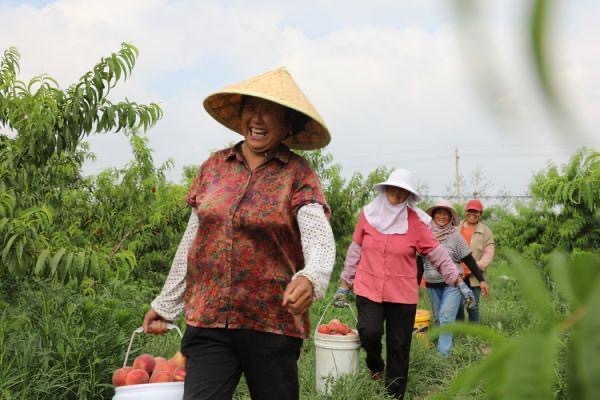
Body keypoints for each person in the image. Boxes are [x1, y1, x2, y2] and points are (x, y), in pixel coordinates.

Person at [141, 67, 336, 400]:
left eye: (270, 111)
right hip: (209, 319)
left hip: (272, 322)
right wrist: (166, 303)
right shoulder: (214, 167)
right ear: (241, 116)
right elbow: (192, 240)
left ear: (288, 124)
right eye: (251, 109)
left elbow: (318, 235)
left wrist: (311, 277)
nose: (258, 119)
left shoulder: (298, 174)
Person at [333, 169, 475, 400]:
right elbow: (355, 249)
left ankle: (393, 395)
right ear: (385, 188)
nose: (397, 194)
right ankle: (376, 364)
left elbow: (438, 254)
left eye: (403, 191)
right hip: (368, 288)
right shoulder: (367, 215)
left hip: (402, 295)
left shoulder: (416, 222)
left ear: (408, 195)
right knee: (369, 332)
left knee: (399, 346)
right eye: (393, 188)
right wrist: (344, 283)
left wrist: (458, 281)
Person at [421, 199, 489, 356]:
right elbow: (419, 260)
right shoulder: (425, 235)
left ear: (451, 217)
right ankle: (445, 344)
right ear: (433, 215)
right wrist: (414, 284)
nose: (442, 216)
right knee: (439, 319)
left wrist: (482, 280)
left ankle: (443, 354)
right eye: (439, 213)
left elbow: (469, 259)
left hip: (453, 283)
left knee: (446, 316)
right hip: (432, 283)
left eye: (446, 213)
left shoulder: (455, 236)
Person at [456, 199, 495, 323]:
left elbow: (489, 252)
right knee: (458, 305)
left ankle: (474, 334)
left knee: (473, 305)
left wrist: (478, 265)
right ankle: (459, 331)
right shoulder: (456, 227)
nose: (472, 214)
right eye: (470, 211)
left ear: (481, 213)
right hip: (457, 274)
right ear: (465, 212)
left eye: (476, 211)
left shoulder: (486, 231)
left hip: (475, 275)